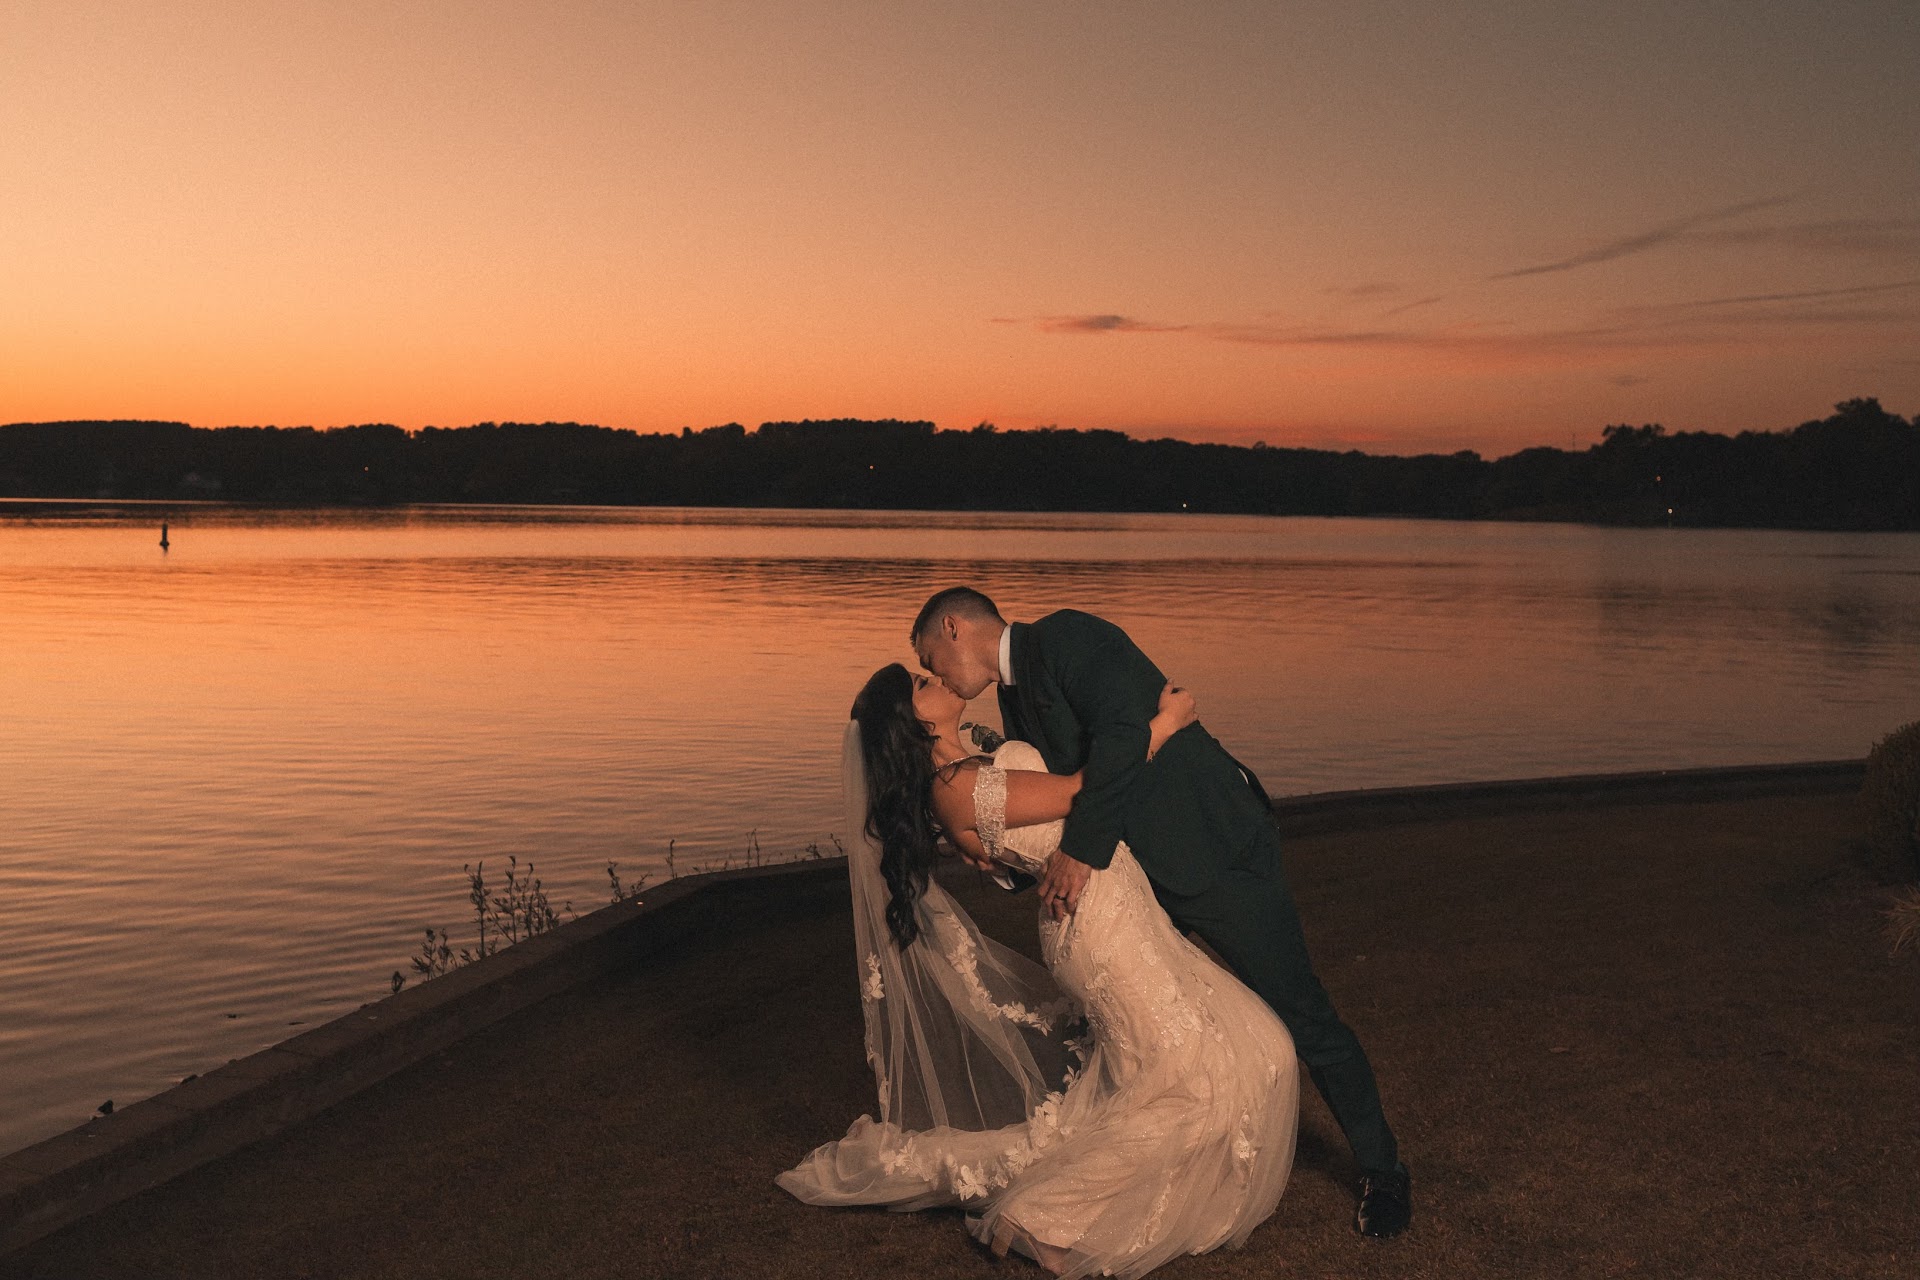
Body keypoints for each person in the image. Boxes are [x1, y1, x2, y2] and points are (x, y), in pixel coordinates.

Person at [911, 587, 1412, 1238]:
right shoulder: (1013, 695)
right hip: (1140, 883)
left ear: (953, 627)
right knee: (1154, 1037)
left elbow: (1122, 738)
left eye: (929, 657)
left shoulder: (1067, 637)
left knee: (1302, 1014)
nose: (936, 673)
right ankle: (1147, 1181)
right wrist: (999, 855)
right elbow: (1058, 800)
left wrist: (1081, 853)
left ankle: (1384, 1171)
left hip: (1216, 854)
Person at [779, 663, 1298, 1278]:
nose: (935, 680)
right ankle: (1042, 1217)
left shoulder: (971, 762)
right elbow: (1082, 791)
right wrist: (1165, 724)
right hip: (1100, 932)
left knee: (1239, 1048)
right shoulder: (955, 787)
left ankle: (1085, 1192)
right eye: (920, 684)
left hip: (1126, 912)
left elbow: (1018, 838)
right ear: (911, 720)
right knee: (1191, 1084)